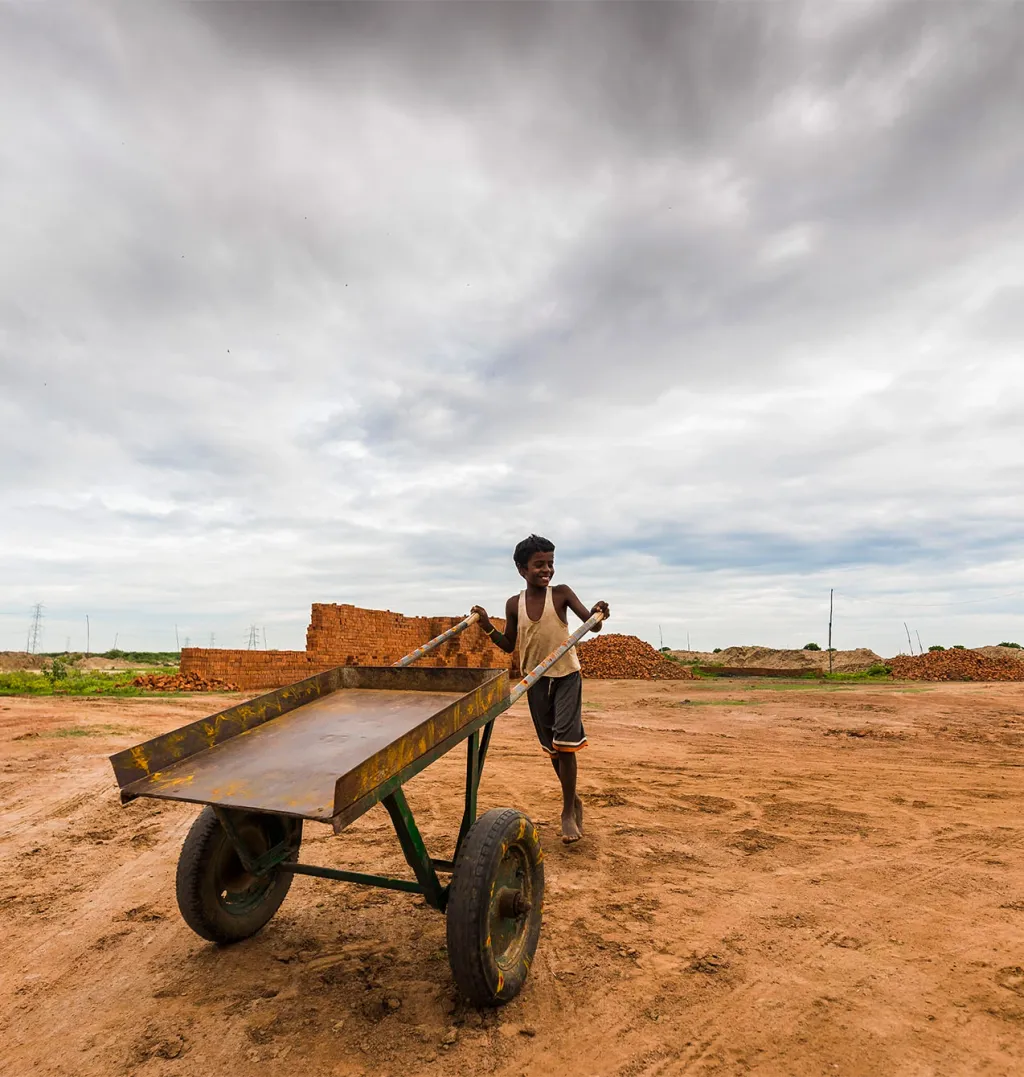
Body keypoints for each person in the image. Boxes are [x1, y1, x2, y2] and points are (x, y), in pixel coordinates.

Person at [472, 534, 610, 845]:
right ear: (522, 569)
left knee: (565, 743)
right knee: (551, 748)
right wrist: (485, 625)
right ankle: (573, 798)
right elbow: (509, 645)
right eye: (539, 565)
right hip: (534, 681)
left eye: (550, 563)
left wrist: (600, 612)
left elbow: (592, 624)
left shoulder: (561, 595)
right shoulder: (513, 604)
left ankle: (566, 812)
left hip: (566, 676)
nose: (546, 569)